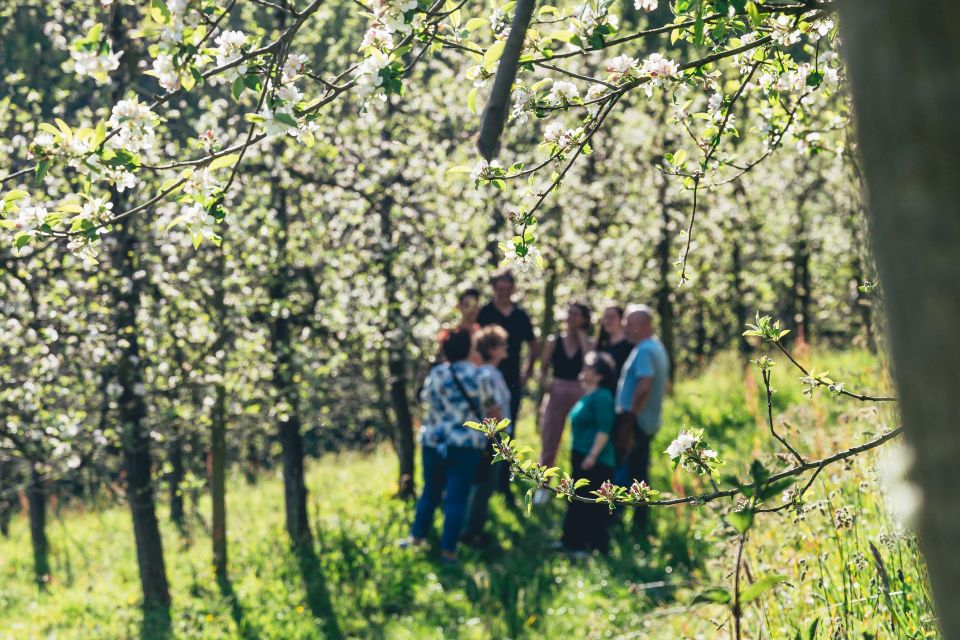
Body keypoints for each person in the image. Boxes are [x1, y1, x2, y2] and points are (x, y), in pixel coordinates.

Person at [406, 331, 495, 563]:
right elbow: (493, 409)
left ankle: (416, 537)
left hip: (434, 442)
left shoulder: (436, 374)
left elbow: (425, 399)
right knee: (456, 499)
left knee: (430, 491)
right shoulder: (481, 376)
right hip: (465, 445)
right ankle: (448, 551)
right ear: (469, 349)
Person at [616, 304, 671, 534]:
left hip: (637, 422)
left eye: (628, 323)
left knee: (627, 470)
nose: (624, 327)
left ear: (643, 325)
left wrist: (629, 417)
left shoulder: (645, 350)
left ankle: (619, 519)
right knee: (639, 471)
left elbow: (644, 385)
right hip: (648, 420)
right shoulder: (655, 346)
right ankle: (640, 522)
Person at [557, 351, 618, 557]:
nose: (584, 369)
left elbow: (604, 430)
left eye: (589, 367)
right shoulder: (589, 394)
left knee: (589, 504)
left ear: (600, 375)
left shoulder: (602, 396)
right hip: (581, 454)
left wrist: (592, 456)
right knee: (576, 499)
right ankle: (570, 542)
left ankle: (586, 546)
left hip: (596, 460)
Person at [461, 325, 511, 547]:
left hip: (494, 435)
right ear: (491, 348)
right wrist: (500, 440)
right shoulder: (487, 374)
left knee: (482, 484)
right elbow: (492, 408)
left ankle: (471, 528)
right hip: (493, 436)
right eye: (502, 344)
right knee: (483, 484)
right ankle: (472, 532)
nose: (505, 348)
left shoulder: (492, 372)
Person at [477, 269, 538, 433]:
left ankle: (505, 456)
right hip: (487, 375)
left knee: (508, 423)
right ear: (493, 288)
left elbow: (533, 344)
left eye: (507, 288)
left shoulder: (521, 316)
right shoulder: (484, 313)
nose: (503, 292)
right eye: (499, 288)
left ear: (513, 289)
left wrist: (528, 371)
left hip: (512, 376)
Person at [537, 302, 593, 469]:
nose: (570, 318)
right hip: (557, 390)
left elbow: (590, 364)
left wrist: (582, 340)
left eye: (575, 314)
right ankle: (543, 485)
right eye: (569, 313)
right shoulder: (554, 341)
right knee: (550, 437)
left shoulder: (589, 342)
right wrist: (545, 383)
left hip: (580, 391)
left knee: (582, 437)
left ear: (583, 319)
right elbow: (543, 368)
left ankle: (579, 478)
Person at [597, 305, 634, 377]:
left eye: (612, 317)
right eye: (606, 317)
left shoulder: (631, 345)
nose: (608, 321)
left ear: (622, 320)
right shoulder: (600, 346)